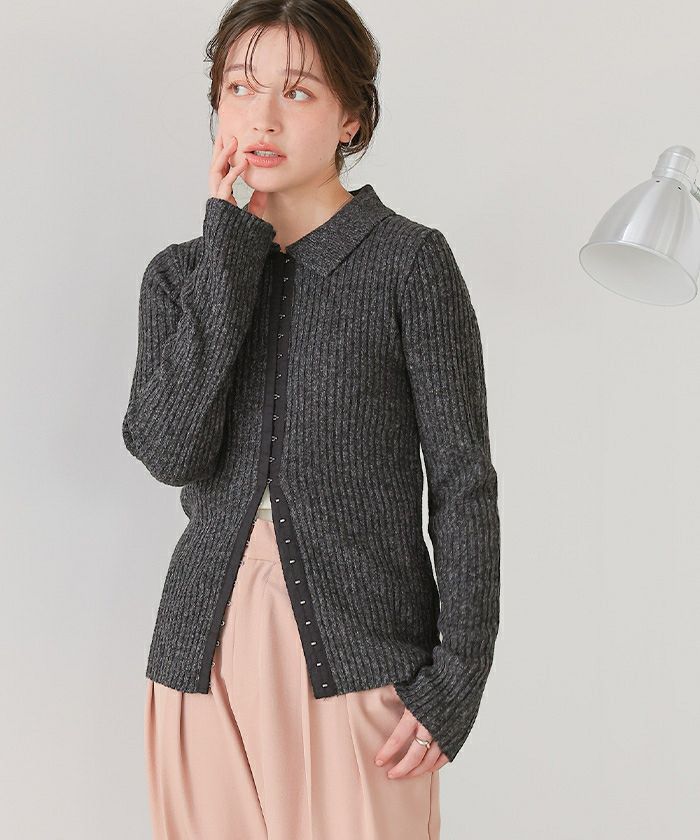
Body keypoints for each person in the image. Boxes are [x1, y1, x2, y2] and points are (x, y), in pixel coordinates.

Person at [121, 1, 500, 838]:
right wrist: (229, 251)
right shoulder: (182, 275)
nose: (261, 117)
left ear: (351, 115)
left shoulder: (409, 263)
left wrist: (459, 678)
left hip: (362, 660)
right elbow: (170, 449)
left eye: (296, 91)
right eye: (239, 87)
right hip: (200, 657)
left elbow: (464, 484)